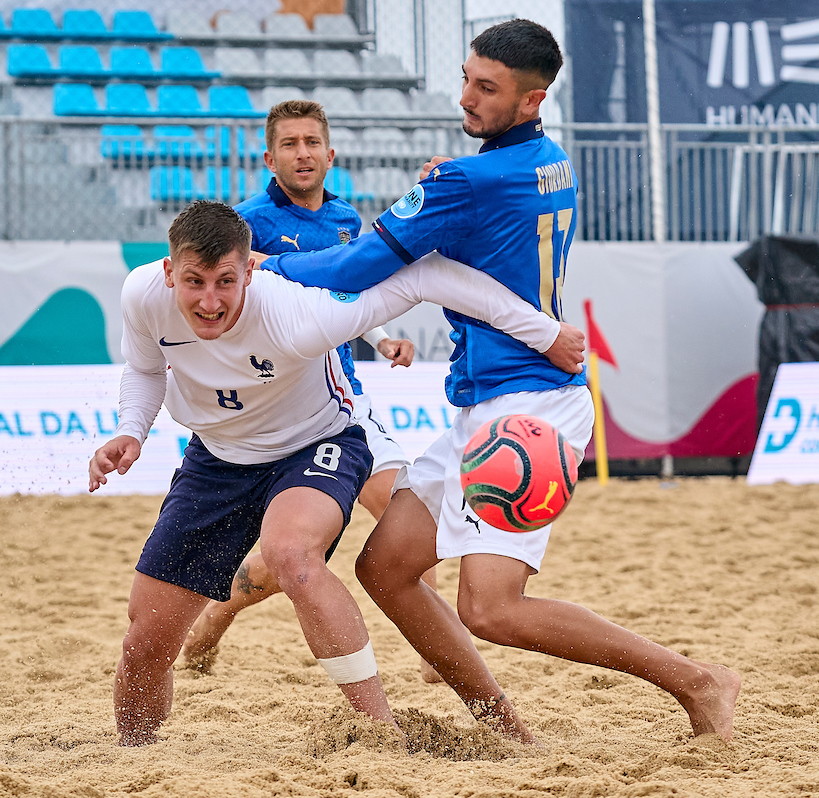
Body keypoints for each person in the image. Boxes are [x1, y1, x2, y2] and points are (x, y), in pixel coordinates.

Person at [264, 19, 741, 743]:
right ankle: (502, 729)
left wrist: (267, 269)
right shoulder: (552, 160)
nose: (466, 97)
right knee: (386, 570)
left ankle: (699, 682)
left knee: (492, 608)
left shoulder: (466, 179)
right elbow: (471, 238)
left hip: (528, 412)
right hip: (492, 400)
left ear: (532, 99)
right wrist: (448, 197)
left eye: (486, 88)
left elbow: (359, 268)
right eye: (466, 77)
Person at [88, 199, 583, 746]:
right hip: (216, 457)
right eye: (194, 282)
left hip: (318, 441)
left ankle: (379, 731)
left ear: (251, 270)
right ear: (168, 273)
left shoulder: (297, 314)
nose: (209, 301)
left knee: (291, 554)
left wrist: (542, 333)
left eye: (225, 281)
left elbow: (425, 274)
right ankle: (134, 756)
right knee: (146, 642)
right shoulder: (142, 295)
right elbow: (143, 369)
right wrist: (131, 431)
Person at [178, 100, 443, 683]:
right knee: (291, 557)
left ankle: (433, 646)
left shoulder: (348, 219)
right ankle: (217, 618)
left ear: (331, 154)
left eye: (311, 143)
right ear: (270, 158)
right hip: (280, 403)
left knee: (401, 514)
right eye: (290, 144)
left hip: (345, 395)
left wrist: (382, 337)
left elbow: (344, 293)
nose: (302, 153)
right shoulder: (243, 223)